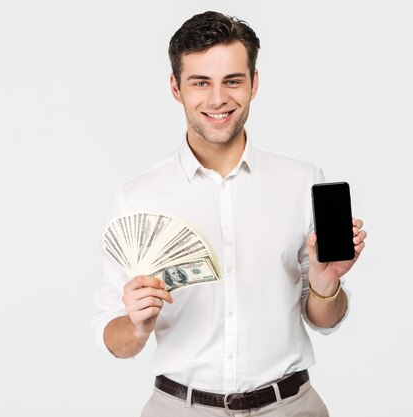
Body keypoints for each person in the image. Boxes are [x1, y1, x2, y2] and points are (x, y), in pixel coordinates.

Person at [93, 11, 367, 416]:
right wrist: (136, 324)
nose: (218, 99)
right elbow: (113, 339)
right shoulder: (136, 197)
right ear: (176, 87)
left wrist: (326, 285)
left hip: (291, 406)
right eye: (200, 82)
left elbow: (325, 320)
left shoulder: (301, 181)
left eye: (232, 81)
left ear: (254, 83)